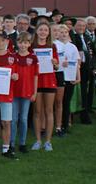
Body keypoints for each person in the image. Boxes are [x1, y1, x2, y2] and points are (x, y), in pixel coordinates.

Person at [31, 21, 58, 152]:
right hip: (36, 82)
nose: (43, 32)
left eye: (45, 30)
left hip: (49, 81)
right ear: (36, 31)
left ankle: (48, 141)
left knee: (49, 111)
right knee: (37, 111)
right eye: (40, 30)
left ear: (48, 33)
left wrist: (55, 63)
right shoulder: (32, 46)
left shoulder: (52, 47)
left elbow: (57, 66)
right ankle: (37, 140)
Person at [10, 32, 37, 154]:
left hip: (27, 91)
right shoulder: (13, 57)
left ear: (29, 44)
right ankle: (11, 143)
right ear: (17, 43)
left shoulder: (33, 58)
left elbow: (35, 76)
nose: (23, 45)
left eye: (26, 42)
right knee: (14, 118)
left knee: (24, 119)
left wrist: (34, 92)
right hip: (14, 92)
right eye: (21, 42)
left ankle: (22, 143)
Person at [55, 24, 79, 136]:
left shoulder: (72, 47)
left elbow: (77, 63)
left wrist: (77, 77)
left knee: (66, 102)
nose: (63, 34)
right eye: (61, 32)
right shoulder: (54, 45)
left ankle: (65, 124)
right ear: (57, 34)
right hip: (58, 77)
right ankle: (57, 125)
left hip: (70, 77)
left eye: (65, 32)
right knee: (58, 102)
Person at [71, 19, 93, 124]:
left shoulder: (87, 37)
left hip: (86, 68)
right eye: (79, 26)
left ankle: (85, 113)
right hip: (75, 68)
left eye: (83, 26)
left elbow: (92, 53)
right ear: (75, 26)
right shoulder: (72, 37)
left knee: (85, 91)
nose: (81, 28)